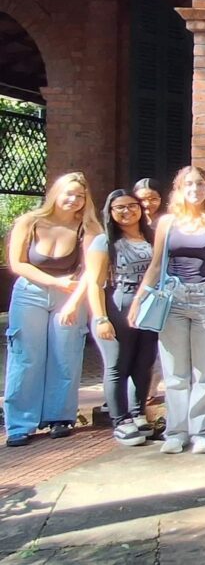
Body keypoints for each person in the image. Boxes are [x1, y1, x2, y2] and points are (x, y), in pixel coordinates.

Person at [128, 166, 205, 455]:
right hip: (173, 298)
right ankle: (176, 432)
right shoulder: (167, 223)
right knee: (175, 372)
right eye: (188, 184)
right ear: (179, 189)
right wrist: (140, 299)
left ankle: (203, 432)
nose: (195, 189)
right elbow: (155, 265)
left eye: (200, 184)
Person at [4, 172, 101, 446]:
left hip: (70, 295)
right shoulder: (30, 222)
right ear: (56, 193)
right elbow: (17, 263)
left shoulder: (88, 228)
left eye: (80, 196)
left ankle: (60, 417)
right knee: (26, 356)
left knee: (65, 354)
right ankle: (20, 424)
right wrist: (53, 281)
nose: (74, 200)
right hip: (30, 292)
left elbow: (91, 270)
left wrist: (72, 300)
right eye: (68, 193)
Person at [84, 190, 157, 446]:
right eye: (119, 208)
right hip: (118, 305)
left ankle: (138, 413)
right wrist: (101, 318)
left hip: (149, 308)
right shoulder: (104, 242)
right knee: (118, 365)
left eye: (132, 205)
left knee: (143, 362)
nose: (127, 212)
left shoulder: (151, 237)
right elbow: (94, 283)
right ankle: (120, 420)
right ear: (110, 213)